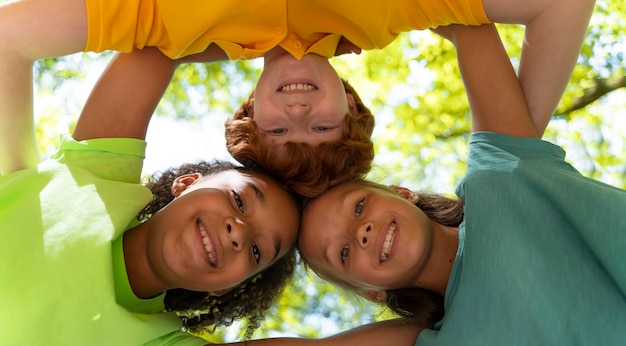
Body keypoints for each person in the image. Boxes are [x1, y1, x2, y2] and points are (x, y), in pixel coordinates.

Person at [0, 9, 426, 346]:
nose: (239, 233)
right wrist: (283, 45)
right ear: (186, 182)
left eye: (257, 251)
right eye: (239, 201)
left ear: (226, 287)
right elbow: (160, 43)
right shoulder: (96, 177)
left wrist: (448, 306)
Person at [213, 21, 626, 346]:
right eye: (341, 252)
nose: (362, 233)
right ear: (370, 292)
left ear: (401, 193)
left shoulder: (498, 176)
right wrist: (164, 330)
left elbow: (467, 25)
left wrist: (347, 20)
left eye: (359, 208)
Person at [4, 0, 593, 197]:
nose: (299, 115)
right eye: (322, 129)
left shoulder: (168, 25)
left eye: (280, 132)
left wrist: (18, 199)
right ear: (353, 108)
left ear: (250, 112)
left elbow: (11, 38)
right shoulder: (400, 11)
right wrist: (514, 168)